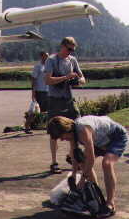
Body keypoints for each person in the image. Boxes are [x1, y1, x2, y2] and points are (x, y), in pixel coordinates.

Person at [48, 115, 127, 217]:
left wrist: (82, 179)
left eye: (61, 136)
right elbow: (74, 155)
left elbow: (91, 158)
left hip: (117, 137)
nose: (62, 139)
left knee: (107, 164)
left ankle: (110, 204)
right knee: (83, 162)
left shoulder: (83, 129)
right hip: (100, 140)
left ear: (66, 129)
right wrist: (74, 174)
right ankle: (96, 196)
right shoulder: (73, 133)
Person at [45, 36, 86, 174]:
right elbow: (48, 80)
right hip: (55, 99)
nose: (71, 52)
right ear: (62, 46)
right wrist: (66, 77)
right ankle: (54, 162)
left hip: (69, 98)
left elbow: (83, 77)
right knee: (54, 132)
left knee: (76, 127)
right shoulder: (51, 60)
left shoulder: (72, 60)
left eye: (73, 50)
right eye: (69, 49)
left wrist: (79, 80)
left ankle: (72, 157)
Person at [25, 52, 49, 134]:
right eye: (45, 56)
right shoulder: (38, 66)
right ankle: (27, 125)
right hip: (40, 91)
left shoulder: (48, 66)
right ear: (41, 56)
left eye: (48, 56)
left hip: (47, 90)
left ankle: (48, 126)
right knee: (36, 111)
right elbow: (33, 79)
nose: (47, 57)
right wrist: (33, 92)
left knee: (47, 110)